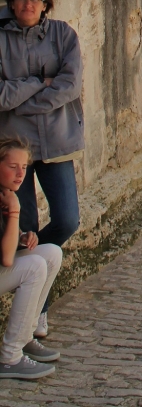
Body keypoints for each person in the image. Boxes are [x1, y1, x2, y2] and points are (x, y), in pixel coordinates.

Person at [0, 0, 83, 340]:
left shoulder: (63, 35)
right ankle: (34, 315)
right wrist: (38, 83)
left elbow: (70, 84)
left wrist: (24, 101)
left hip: (56, 143)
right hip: (14, 145)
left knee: (66, 219)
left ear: (46, 4)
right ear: (11, 2)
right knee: (24, 230)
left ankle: (34, 294)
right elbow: (0, 96)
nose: (27, 5)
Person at [0, 136, 63, 380]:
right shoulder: (9, 199)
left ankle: (24, 338)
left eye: (24, 168)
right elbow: (6, 260)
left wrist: (23, 237)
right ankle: (9, 356)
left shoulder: (6, 192)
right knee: (34, 266)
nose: (19, 174)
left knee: (51, 253)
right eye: (12, 167)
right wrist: (15, 212)